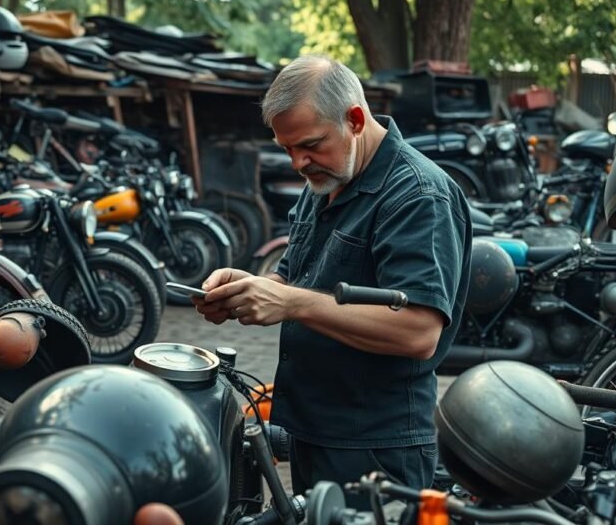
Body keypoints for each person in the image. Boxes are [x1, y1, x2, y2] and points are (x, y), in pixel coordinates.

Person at [193, 55, 472, 507]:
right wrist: (249, 288)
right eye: (287, 148)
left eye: (310, 145)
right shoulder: (327, 176)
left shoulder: (419, 194)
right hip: (314, 429)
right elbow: (299, 277)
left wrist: (291, 303)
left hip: (375, 448)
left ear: (356, 120)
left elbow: (419, 331)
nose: (298, 163)